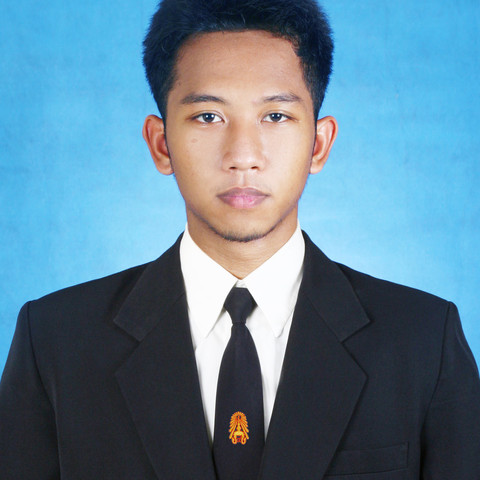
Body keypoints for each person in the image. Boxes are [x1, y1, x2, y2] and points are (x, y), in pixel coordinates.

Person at [1, 0, 479, 478]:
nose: (243, 155)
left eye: (276, 116)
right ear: (161, 144)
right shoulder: (56, 343)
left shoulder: (422, 342)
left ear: (319, 144)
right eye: (208, 116)